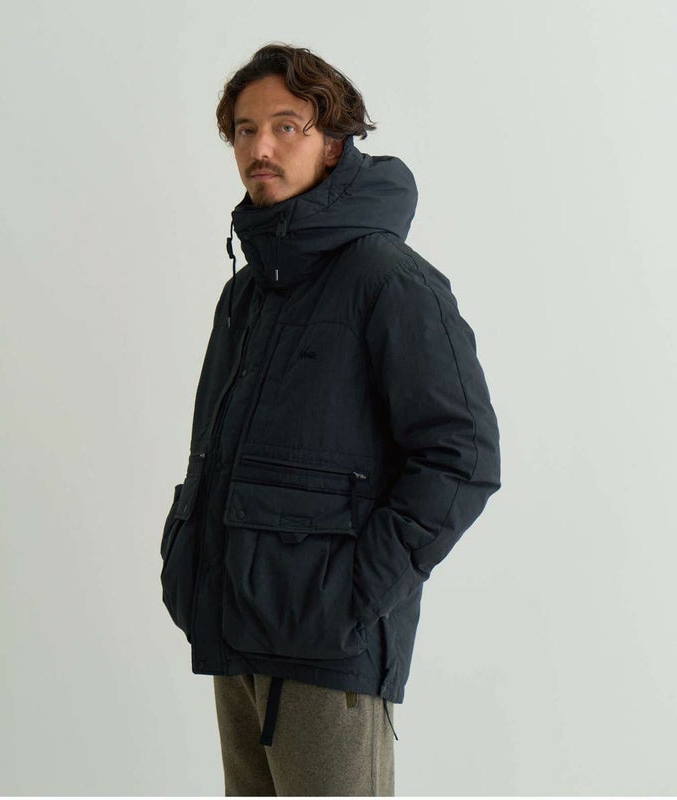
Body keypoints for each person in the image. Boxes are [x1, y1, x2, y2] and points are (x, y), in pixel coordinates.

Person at [159, 42, 502, 796]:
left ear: (334, 144)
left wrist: (349, 596)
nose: (261, 147)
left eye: (287, 126)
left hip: (327, 657)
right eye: (246, 130)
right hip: (236, 634)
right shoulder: (246, 295)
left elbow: (464, 456)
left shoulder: (388, 279)